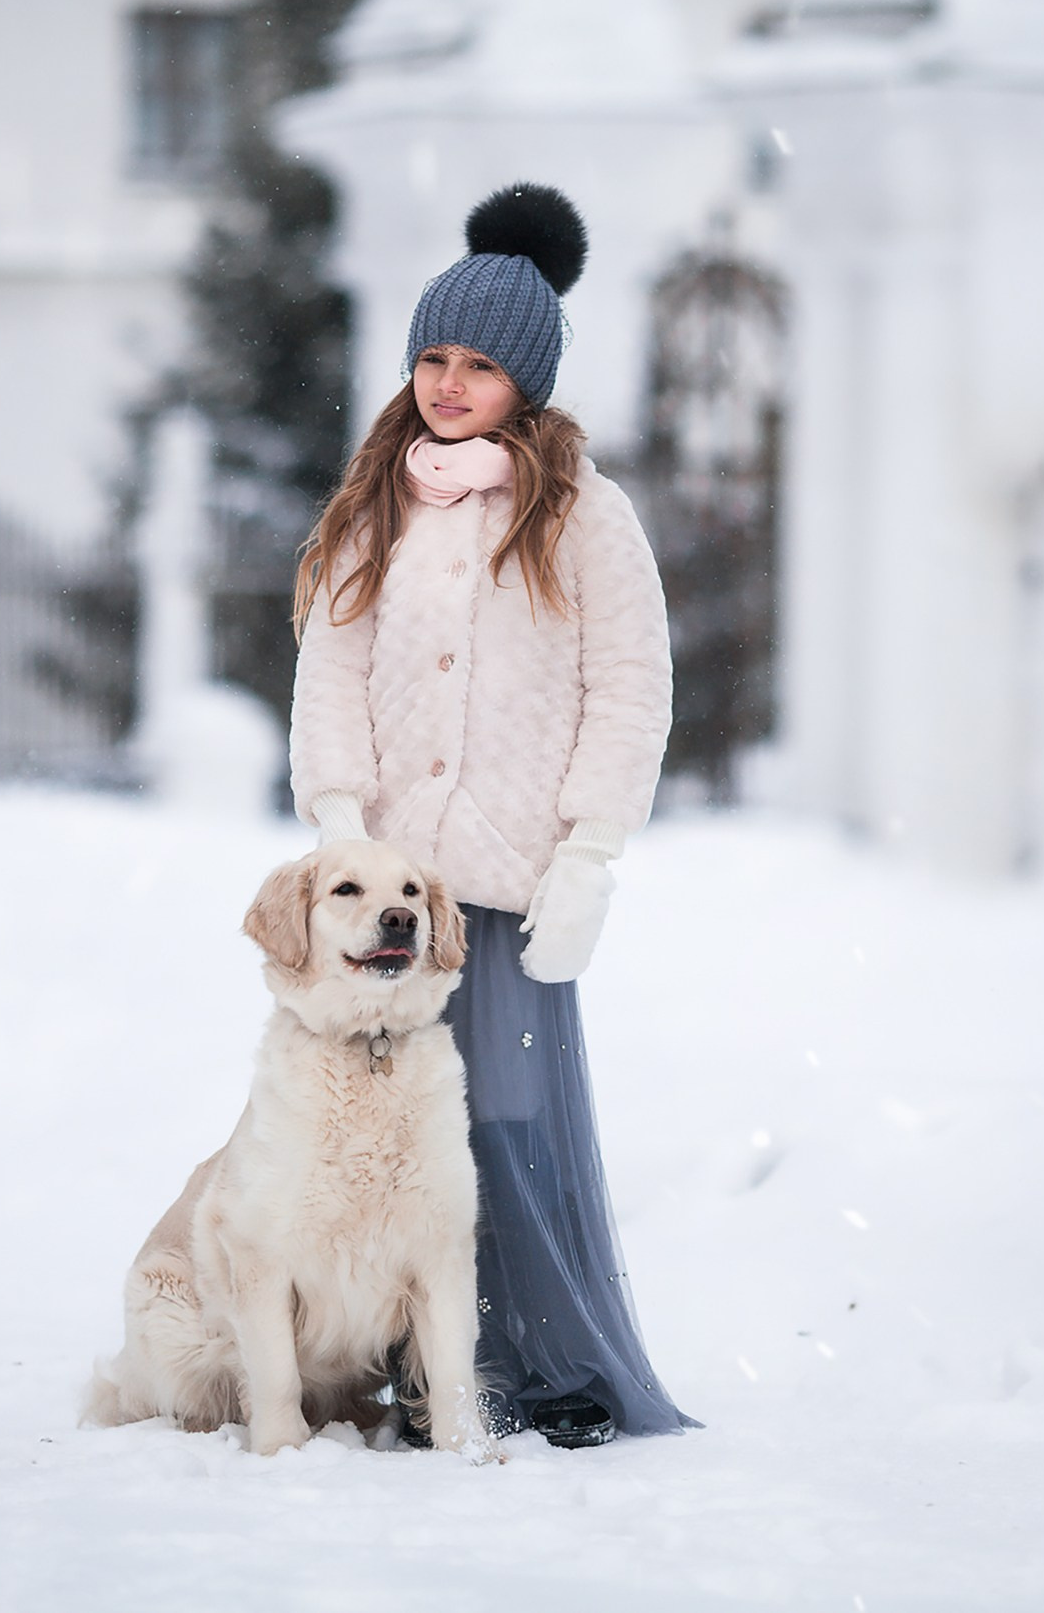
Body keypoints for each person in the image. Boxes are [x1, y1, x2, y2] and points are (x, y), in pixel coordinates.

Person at [287, 182, 695, 1448]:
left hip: (512, 884)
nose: (449, 384)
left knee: (508, 1127)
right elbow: (332, 667)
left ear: (528, 380)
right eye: (431, 357)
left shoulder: (582, 516)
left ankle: (552, 1369)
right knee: (390, 1132)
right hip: (396, 891)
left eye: (477, 365)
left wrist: (589, 852)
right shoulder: (379, 508)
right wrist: (342, 819)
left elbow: (630, 687)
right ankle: (423, 1372)